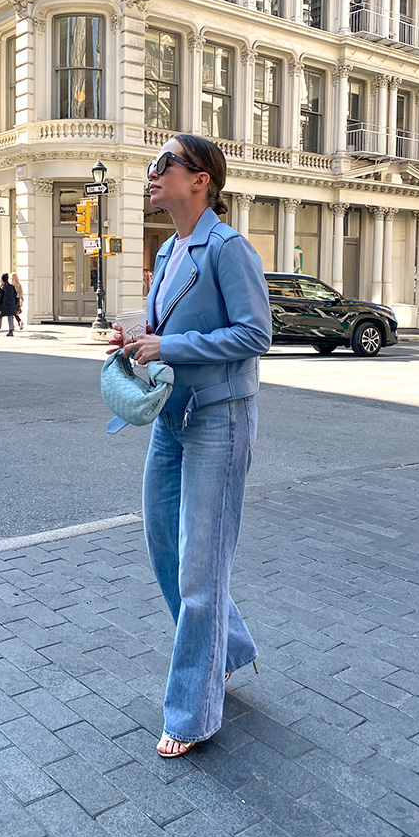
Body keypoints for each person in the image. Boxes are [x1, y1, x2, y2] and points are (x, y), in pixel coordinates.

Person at [107, 134, 272, 759]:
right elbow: (170, 329)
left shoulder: (227, 248)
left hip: (219, 423)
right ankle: (227, 649)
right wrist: (140, 342)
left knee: (202, 569)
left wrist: (168, 347)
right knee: (165, 550)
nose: (151, 175)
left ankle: (192, 712)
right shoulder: (173, 248)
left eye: (162, 164)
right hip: (170, 419)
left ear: (201, 178)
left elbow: (255, 333)